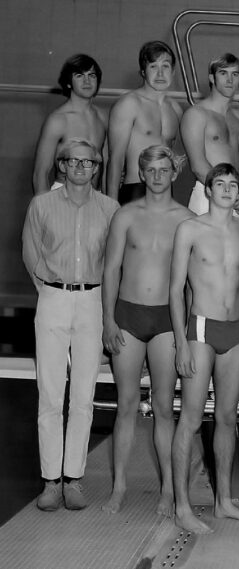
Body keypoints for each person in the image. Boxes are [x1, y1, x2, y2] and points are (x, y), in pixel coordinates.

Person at [22, 138, 119, 511]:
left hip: (93, 301)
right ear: (61, 166)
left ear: (97, 168)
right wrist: (49, 291)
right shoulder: (42, 205)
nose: (80, 167)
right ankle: (50, 481)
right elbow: (30, 249)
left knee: (82, 396)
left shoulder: (110, 209)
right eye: (73, 161)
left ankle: (73, 479)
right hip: (54, 298)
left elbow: (113, 261)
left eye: (88, 162)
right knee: (50, 394)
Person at [100, 145, 195, 516]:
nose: (156, 176)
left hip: (166, 322)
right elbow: (110, 270)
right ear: (141, 173)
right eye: (150, 170)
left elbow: (190, 283)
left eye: (163, 170)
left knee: (163, 408)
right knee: (125, 405)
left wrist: (186, 330)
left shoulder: (186, 219)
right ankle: (119, 486)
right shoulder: (125, 216)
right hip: (128, 314)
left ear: (174, 173)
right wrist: (108, 319)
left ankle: (169, 490)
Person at [169, 163, 239, 534]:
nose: (225, 189)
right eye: (218, 183)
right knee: (190, 419)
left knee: (227, 417)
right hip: (201, 328)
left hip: (235, 330)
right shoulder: (190, 228)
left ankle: (223, 500)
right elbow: (175, 290)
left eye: (232, 185)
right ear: (207, 190)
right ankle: (181, 506)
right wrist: (181, 344)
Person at [108, 41, 183, 204]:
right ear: (143, 72)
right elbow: (115, 159)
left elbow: (177, 159)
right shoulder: (129, 104)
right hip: (135, 189)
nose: (161, 74)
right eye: (153, 67)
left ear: (173, 71)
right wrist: (111, 205)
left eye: (166, 66)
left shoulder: (176, 109)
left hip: (166, 193)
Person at [33, 54, 107, 195]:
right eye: (79, 75)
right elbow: (40, 173)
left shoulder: (103, 117)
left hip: (94, 196)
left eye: (92, 75)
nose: (87, 81)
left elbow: (107, 163)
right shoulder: (58, 120)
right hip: (62, 194)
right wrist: (41, 210)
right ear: (68, 82)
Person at [181, 53, 239, 215]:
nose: (230, 80)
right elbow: (198, 165)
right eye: (223, 73)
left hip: (236, 198)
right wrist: (225, 191)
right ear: (211, 77)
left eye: (235, 74)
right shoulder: (196, 114)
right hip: (207, 195)